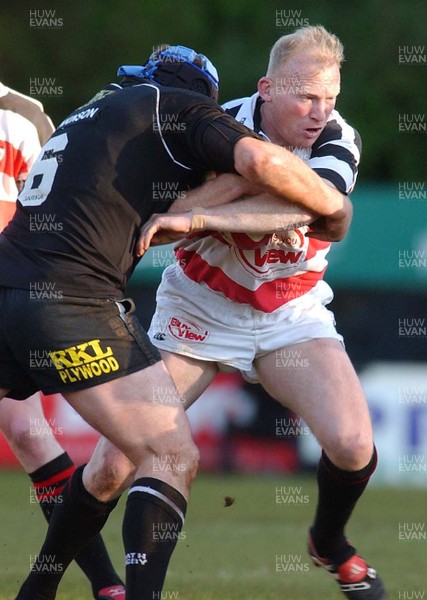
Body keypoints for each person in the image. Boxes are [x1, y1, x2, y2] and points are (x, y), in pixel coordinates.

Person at [0, 44, 347, 600]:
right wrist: (332, 207)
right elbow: (259, 163)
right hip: (70, 301)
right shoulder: (179, 107)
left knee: (93, 454)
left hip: (7, 288)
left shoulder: (91, 113)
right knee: (169, 453)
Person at [139, 26, 387, 600]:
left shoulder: (339, 140)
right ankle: (96, 582)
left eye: (330, 98)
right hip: (200, 306)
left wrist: (207, 213)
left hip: (288, 312)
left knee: (353, 446)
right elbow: (162, 208)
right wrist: (211, 194)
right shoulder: (216, 122)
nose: (320, 113)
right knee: (116, 461)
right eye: (305, 96)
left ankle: (330, 543)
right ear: (267, 88)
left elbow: (302, 204)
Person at [0, 81, 125, 599]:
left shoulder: (22, 115)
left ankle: (106, 586)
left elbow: (53, 200)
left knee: (28, 433)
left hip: (8, 284)